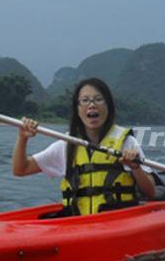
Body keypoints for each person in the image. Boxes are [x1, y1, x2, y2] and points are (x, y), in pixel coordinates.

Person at [12, 78, 155, 216]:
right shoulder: (66, 145)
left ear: (108, 106)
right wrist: (23, 138)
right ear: (78, 109)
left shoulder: (126, 142)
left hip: (118, 222)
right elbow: (20, 169)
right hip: (80, 224)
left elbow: (150, 192)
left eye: (98, 99)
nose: (92, 105)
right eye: (85, 101)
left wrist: (135, 168)